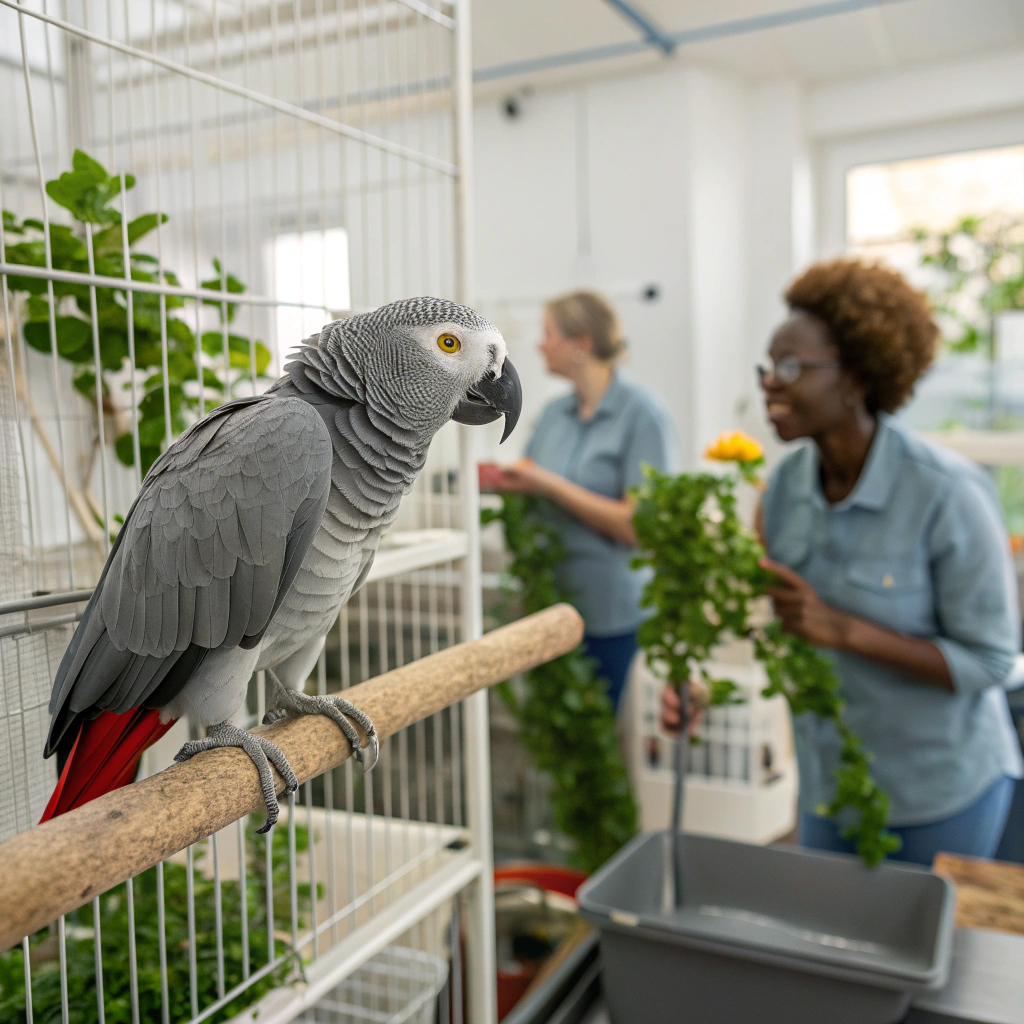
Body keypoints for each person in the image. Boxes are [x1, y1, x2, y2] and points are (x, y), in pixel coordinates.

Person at [663, 259, 1022, 864]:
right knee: (837, 953)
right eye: (766, 367)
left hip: (938, 794)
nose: (769, 383)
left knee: (935, 955)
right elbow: (780, 628)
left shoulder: (946, 492)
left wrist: (843, 629)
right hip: (830, 785)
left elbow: (990, 660)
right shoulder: (781, 492)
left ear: (856, 376)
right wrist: (703, 689)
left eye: (791, 366)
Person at [487, 291, 674, 712]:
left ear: (581, 344)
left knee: (597, 736)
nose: (539, 344)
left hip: (609, 612)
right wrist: (501, 479)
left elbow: (638, 526)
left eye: (549, 333)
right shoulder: (554, 413)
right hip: (547, 601)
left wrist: (549, 484)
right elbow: (531, 479)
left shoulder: (643, 415)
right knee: (553, 728)